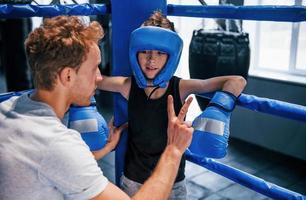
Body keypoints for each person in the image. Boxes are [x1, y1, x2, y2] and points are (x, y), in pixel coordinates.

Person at [0, 15, 194, 200]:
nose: (100, 78)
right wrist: (174, 150)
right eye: (94, 68)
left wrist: (106, 149)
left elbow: (55, 163)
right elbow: (56, 155)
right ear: (68, 76)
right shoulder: (57, 144)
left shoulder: (9, 107)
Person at [97, 11, 247, 199]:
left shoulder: (181, 87)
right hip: (134, 181)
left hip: (173, 182)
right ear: (135, 52)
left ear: (171, 56)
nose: (152, 59)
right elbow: (95, 80)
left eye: (160, 52)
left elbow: (236, 80)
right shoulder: (128, 87)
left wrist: (219, 109)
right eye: (145, 51)